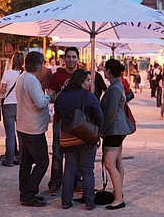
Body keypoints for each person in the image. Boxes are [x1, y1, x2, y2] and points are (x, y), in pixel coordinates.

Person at [55, 69, 103, 210]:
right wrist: (99, 130)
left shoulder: (61, 95)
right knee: (87, 171)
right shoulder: (88, 96)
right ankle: (89, 202)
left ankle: (66, 202)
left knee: (69, 168)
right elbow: (100, 117)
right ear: (81, 81)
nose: (89, 83)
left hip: (67, 138)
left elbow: (58, 113)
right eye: (88, 80)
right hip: (86, 138)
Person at [16, 52, 51, 207]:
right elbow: (40, 102)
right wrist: (48, 97)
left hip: (24, 126)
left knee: (26, 162)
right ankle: (28, 194)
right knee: (43, 162)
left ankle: (25, 190)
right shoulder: (31, 80)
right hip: (33, 128)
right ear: (39, 64)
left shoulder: (22, 77)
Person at [101, 59, 135, 210]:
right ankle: (118, 192)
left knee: (109, 163)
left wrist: (102, 129)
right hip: (119, 128)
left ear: (108, 71)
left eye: (104, 69)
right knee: (117, 161)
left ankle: (118, 198)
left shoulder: (114, 88)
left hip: (114, 129)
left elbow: (111, 113)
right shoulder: (117, 85)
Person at [47, 47, 80, 195]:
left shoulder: (82, 76)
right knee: (58, 153)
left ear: (78, 59)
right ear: (64, 59)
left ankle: (76, 181)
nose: (71, 60)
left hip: (78, 121)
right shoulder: (56, 76)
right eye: (69, 57)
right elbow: (51, 97)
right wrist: (62, 95)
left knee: (76, 152)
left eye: (74, 57)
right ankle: (55, 182)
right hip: (60, 120)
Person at [0, 52, 24, 167]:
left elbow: (2, 90)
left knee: (10, 134)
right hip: (21, 106)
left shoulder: (8, 73)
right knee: (21, 134)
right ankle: (21, 158)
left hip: (8, 105)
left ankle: (9, 160)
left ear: (12, 61)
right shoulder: (25, 74)